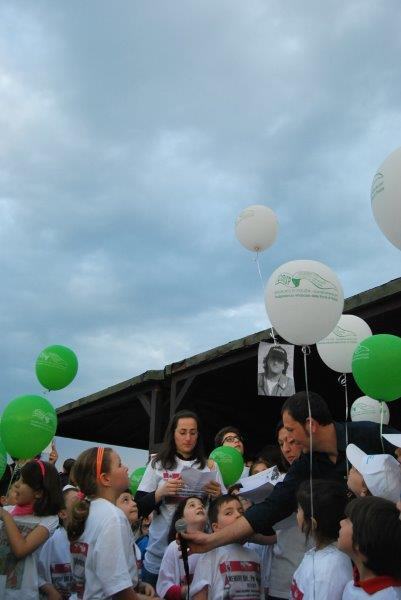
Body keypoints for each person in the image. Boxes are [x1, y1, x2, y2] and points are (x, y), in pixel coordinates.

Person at [183, 392, 400, 555]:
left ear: (311, 425)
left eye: (290, 430)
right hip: (348, 559)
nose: (288, 439)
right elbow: (272, 507)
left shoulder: (369, 434)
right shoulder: (306, 464)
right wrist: (211, 541)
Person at [135, 410, 223, 587]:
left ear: (198, 435)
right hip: (158, 555)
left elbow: (223, 512)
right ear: (173, 434)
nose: (188, 438)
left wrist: (218, 496)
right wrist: (160, 492)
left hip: (198, 556)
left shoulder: (210, 466)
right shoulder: (158, 464)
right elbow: (138, 508)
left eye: (193, 432)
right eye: (182, 432)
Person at [67, 446, 144, 599]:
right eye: (120, 464)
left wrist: (139, 586)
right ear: (105, 479)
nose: (126, 468)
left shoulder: (91, 510)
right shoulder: (113, 517)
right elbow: (119, 588)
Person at [0, 459, 63, 600]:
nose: (16, 484)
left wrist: (6, 517)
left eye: (23, 481)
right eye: (18, 479)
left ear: (38, 493)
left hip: (22, 595)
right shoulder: (8, 510)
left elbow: (21, 550)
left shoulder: (48, 520)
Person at [190, 495, 263, 599]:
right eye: (229, 513)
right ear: (216, 527)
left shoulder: (255, 556)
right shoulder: (211, 555)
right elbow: (200, 594)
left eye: (241, 511)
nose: (238, 515)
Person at [290, 480, 353, 599]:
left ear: (312, 523)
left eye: (299, 509)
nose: (296, 513)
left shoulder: (329, 569)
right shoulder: (320, 553)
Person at [267, 421, 306, 600]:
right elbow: (278, 535)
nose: (286, 449)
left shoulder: (322, 476)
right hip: (281, 580)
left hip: (312, 579)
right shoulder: (277, 482)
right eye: (281, 443)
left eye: (291, 442)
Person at [338, 496, 401, 598]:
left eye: (349, 520)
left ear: (361, 542)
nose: (341, 522)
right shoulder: (352, 585)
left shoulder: (390, 596)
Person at [156, 496, 207, 599]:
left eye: (202, 505)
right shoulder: (174, 547)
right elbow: (163, 586)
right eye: (192, 505)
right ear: (181, 519)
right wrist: (189, 591)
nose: (200, 507)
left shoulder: (213, 545)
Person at [38, 484, 79, 600]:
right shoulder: (50, 541)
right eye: (77, 501)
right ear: (62, 513)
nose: (83, 505)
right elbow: (35, 574)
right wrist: (49, 590)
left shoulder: (92, 538)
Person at [116, 490, 155, 597]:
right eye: (125, 500)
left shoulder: (128, 536)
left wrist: (139, 585)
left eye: (133, 500)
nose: (134, 503)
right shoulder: (115, 539)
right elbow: (114, 584)